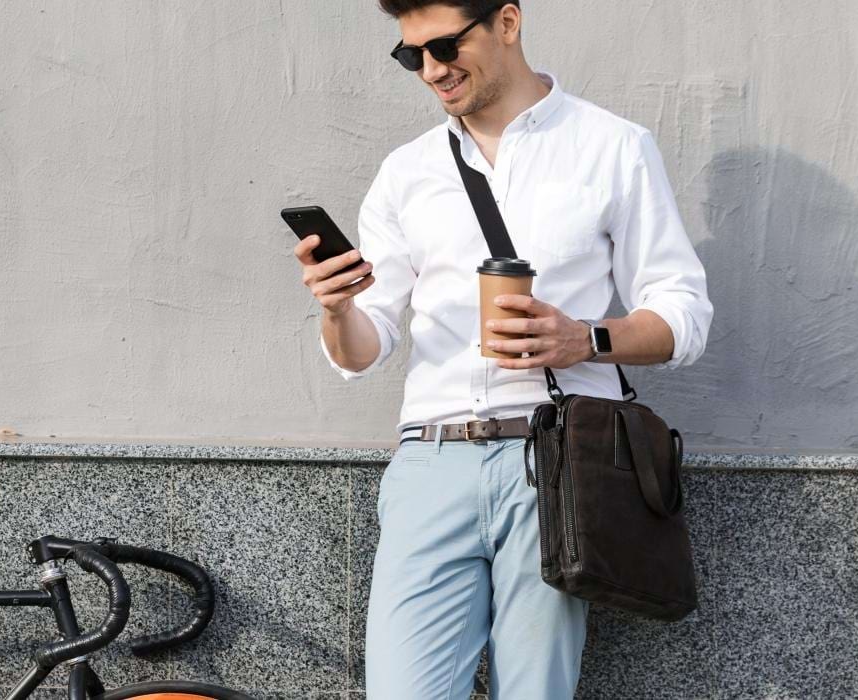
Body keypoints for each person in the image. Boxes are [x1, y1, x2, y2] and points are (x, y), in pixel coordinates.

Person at [291, 1, 713, 697]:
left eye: (446, 45)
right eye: (412, 56)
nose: (432, 70)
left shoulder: (611, 147)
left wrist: (585, 338)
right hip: (430, 461)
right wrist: (337, 308)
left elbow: (683, 315)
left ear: (507, 23)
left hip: (551, 465)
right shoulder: (407, 172)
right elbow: (363, 349)